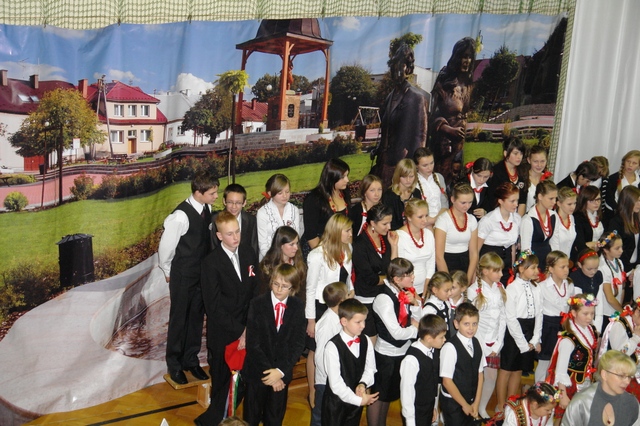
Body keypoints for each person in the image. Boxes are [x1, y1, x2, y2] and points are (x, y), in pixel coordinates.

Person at [197, 211, 259, 425]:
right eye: (230, 234)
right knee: (223, 382)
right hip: (224, 333)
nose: (236, 237)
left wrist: (249, 326)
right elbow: (213, 307)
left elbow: (255, 291)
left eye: (238, 231)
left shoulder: (249, 253)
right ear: (219, 236)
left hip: (248, 327)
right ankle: (214, 421)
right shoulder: (210, 263)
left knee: (245, 381)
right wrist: (241, 331)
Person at [158, 172, 218, 385]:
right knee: (179, 320)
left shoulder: (206, 209)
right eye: (212, 193)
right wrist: (168, 271)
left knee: (196, 319)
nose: (216, 197)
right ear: (199, 192)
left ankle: (190, 361)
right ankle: (174, 365)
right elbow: (166, 248)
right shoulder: (180, 216)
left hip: (200, 276)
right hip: (183, 275)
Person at [242, 264, 306, 426]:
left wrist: (280, 371)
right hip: (257, 372)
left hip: (282, 374)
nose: (279, 289)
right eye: (276, 284)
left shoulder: (298, 306)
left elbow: (298, 343)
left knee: (275, 418)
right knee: (251, 418)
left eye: (284, 286)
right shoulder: (257, 304)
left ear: (293, 288)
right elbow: (253, 344)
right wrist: (271, 375)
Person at [306, 214, 354, 405]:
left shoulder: (347, 249)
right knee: (315, 349)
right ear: (336, 232)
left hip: (340, 304)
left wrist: (351, 292)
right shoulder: (317, 255)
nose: (351, 234)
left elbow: (347, 277)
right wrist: (311, 320)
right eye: (347, 230)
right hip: (320, 306)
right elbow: (310, 289)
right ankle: (313, 391)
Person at [368, 258, 421, 426]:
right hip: (386, 355)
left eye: (412, 273)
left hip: (402, 352)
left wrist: (415, 304)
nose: (413, 277)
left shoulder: (406, 292)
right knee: (379, 397)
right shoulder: (384, 299)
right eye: (409, 275)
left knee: (389, 396)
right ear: (397, 279)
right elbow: (396, 333)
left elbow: (417, 318)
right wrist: (416, 329)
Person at [373, 42, 430, 188]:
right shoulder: (389, 97)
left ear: (408, 69)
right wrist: (378, 149)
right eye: (394, 66)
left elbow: (420, 137)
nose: (396, 70)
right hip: (383, 163)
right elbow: (387, 130)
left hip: (401, 165)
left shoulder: (416, 98)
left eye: (401, 65)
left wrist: (412, 168)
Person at [496, 251, 542, 414]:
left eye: (537, 267)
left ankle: (511, 403)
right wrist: (522, 343)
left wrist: (535, 338)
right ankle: (500, 405)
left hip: (530, 329)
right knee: (506, 369)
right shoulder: (512, 288)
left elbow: (539, 314)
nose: (537, 271)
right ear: (521, 269)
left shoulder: (536, 288)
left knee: (518, 370)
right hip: (514, 332)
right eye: (533, 268)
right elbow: (511, 318)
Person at [321, 299, 379, 426]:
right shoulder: (332, 346)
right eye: (358, 322)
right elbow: (336, 384)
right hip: (335, 406)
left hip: (355, 405)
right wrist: (358, 400)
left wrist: (362, 384)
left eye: (364, 321)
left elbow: (370, 369)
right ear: (344, 322)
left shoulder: (366, 341)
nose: (363, 326)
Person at [429, 37, 476, 184]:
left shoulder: (469, 85)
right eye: (463, 56)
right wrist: (447, 129)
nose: (466, 61)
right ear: (456, 58)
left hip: (459, 147)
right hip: (443, 146)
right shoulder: (444, 81)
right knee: (440, 182)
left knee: (455, 182)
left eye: (469, 57)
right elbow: (431, 113)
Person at [546, 293, 598, 424]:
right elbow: (560, 371)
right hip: (569, 385)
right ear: (574, 313)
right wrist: (563, 395)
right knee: (563, 418)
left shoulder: (590, 330)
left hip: (585, 382)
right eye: (585, 314)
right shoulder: (568, 339)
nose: (589, 317)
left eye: (592, 313)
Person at [468, 252, 507, 419]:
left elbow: (503, 318)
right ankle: (470, 407)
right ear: (485, 271)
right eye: (496, 271)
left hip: (494, 343)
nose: (501, 274)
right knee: (474, 378)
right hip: (478, 341)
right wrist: (482, 345)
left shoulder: (500, 288)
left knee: (491, 377)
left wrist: (498, 343)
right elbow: (472, 322)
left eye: (501, 270)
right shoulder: (473, 291)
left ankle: (482, 408)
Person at [352, 203, 399, 339]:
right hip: (367, 299)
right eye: (385, 224)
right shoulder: (360, 244)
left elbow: (394, 268)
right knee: (370, 340)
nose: (389, 227)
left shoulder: (385, 238)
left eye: (390, 222)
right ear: (373, 223)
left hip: (384, 295)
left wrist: (394, 246)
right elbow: (370, 279)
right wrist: (390, 278)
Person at [562, 350, 640, 426]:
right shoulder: (581, 402)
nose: (627, 382)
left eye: (629, 376)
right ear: (604, 374)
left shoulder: (632, 403)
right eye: (621, 376)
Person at [439, 302, 485, 425]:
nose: (471, 328)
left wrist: (476, 402)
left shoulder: (477, 343)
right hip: (453, 403)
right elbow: (447, 381)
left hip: (471, 400)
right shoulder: (450, 347)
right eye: (466, 324)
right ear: (456, 324)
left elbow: (480, 374)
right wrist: (464, 405)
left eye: (474, 324)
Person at [535, 251, 577, 383]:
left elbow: (571, 307)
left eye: (567, 266)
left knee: (560, 361)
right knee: (544, 362)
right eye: (562, 267)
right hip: (548, 326)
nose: (566, 270)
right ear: (551, 269)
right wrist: (537, 338)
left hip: (564, 325)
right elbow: (538, 314)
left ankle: (554, 389)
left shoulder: (569, 285)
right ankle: (539, 389)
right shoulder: (541, 287)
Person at [312, 282, 349, 426]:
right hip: (326, 381)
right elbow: (320, 356)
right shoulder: (327, 323)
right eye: (347, 295)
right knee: (320, 415)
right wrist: (331, 377)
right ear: (341, 300)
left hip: (335, 378)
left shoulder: (338, 317)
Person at [400, 314, 448, 426]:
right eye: (441, 337)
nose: (444, 340)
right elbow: (407, 394)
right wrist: (410, 421)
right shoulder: (411, 360)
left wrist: (433, 407)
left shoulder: (432, 350)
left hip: (427, 409)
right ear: (429, 338)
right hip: (415, 413)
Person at [303, 158, 351, 252]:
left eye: (347, 175)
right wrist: (327, 256)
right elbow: (311, 236)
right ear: (332, 178)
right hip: (319, 250)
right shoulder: (313, 200)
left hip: (341, 247)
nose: (347, 180)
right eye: (343, 177)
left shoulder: (345, 192)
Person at [478, 182, 522, 285]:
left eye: (517, 200)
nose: (516, 204)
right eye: (512, 201)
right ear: (501, 201)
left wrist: (513, 268)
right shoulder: (488, 220)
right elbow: (476, 249)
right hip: (489, 267)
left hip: (506, 267)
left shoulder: (517, 219)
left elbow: (512, 246)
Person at [434, 182, 479, 282]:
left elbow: (473, 253)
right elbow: (439, 256)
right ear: (453, 199)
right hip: (447, 263)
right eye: (463, 203)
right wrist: (448, 283)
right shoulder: (443, 220)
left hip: (465, 262)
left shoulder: (472, 220)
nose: (467, 206)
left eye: (470, 202)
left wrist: (468, 279)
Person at [599, 297, 640, 402]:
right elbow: (620, 353)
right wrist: (636, 337)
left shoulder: (637, 324)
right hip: (619, 376)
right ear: (636, 312)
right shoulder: (619, 325)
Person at [256, 174, 302, 260]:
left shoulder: (294, 210)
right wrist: (277, 260)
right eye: (280, 193)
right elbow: (263, 245)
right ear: (270, 193)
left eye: (287, 192)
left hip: (291, 258)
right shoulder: (262, 213)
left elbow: (296, 237)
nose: (285, 196)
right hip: (270, 259)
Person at [397, 198, 436, 297]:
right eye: (420, 217)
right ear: (409, 217)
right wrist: (417, 298)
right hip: (406, 290)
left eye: (426, 216)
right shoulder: (399, 236)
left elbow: (431, 264)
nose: (425, 220)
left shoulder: (428, 234)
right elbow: (401, 270)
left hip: (426, 288)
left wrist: (426, 292)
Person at [606, 185, 640, 295]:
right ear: (628, 201)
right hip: (622, 268)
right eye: (636, 201)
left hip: (635, 268)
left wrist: (637, 268)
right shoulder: (616, 222)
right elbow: (616, 248)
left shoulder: (637, 219)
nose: (639, 204)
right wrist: (629, 271)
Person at [211, 183, 259, 259]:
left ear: (244, 203)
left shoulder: (251, 220)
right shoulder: (216, 219)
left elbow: (254, 246)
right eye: (230, 202)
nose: (234, 207)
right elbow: (213, 246)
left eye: (238, 203)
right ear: (224, 201)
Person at [520, 180, 558, 272]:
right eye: (551, 198)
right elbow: (525, 251)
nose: (554, 202)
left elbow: (555, 243)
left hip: (547, 261)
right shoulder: (528, 219)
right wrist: (532, 270)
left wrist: (554, 263)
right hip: (532, 264)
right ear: (540, 196)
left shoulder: (553, 215)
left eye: (555, 198)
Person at [257, 226, 306, 296]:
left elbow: (302, 293)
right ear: (281, 245)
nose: (296, 248)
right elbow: (262, 294)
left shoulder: (299, 264)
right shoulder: (266, 267)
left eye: (297, 243)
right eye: (291, 244)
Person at [595, 231, 626, 332]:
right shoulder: (602, 267)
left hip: (616, 310)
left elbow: (622, 288)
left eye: (621, 247)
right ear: (605, 250)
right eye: (617, 248)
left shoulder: (619, 262)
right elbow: (610, 298)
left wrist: (619, 308)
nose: (621, 250)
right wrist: (622, 312)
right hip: (606, 313)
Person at [487, 136, 527, 210]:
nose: (519, 157)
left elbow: (522, 201)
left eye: (521, 153)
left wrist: (518, 217)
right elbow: (493, 200)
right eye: (515, 153)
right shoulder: (497, 172)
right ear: (505, 153)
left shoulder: (523, 171)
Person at [381, 158, 422, 230]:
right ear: (398, 176)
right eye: (404, 176)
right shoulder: (389, 196)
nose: (408, 180)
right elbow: (391, 225)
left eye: (411, 176)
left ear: (415, 176)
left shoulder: (416, 193)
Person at [413, 148, 448, 229]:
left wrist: (435, 219)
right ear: (416, 166)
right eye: (425, 165)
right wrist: (429, 220)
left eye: (432, 163)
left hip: (442, 220)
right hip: (422, 223)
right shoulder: (413, 182)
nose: (430, 168)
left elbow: (444, 204)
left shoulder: (439, 177)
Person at [604, 150, 640, 225]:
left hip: (635, 217)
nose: (630, 165)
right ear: (624, 162)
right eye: (628, 161)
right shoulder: (613, 178)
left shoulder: (638, 180)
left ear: (638, 166)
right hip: (615, 216)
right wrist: (620, 211)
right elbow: (609, 199)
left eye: (634, 163)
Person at [571, 185, 604, 262]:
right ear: (584, 201)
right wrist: (593, 245)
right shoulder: (578, 218)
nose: (596, 203)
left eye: (598, 199)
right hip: (584, 257)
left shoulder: (600, 215)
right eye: (592, 200)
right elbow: (579, 244)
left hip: (599, 255)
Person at [519, 144, 552, 217]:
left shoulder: (547, 179)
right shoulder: (522, 180)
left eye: (542, 161)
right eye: (536, 161)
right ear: (529, 160)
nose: (539, 165)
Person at [422, 271, 454, 336]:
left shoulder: (446, 303)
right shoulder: (429, 309)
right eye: (446, 291)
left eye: (451, 289)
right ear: (435, 290)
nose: (450, 293)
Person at [550, 187, 577, 257]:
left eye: (574, 203)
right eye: (569, 204)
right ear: (559, 203)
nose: (573, 207)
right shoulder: (552, 219)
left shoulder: (571, 217)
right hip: (555, 260)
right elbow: (553, 247)